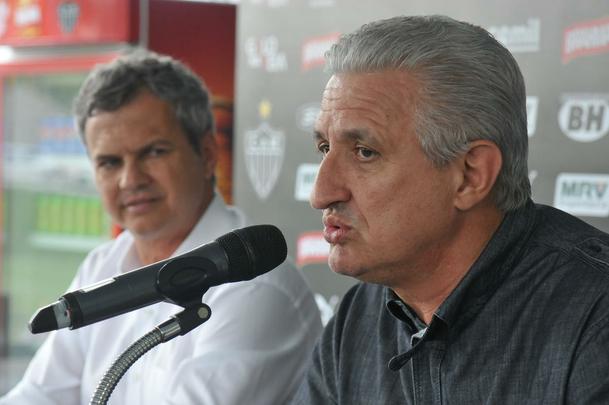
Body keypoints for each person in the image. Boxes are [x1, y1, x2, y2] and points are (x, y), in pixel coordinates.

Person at [291, 15, 609, 404]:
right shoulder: (357, 319)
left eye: (365, 152)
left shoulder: (596, 315)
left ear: (470, 175)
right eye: (325, 148)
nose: (320, 193)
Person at [1, 51, 322, 405]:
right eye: (109, 162)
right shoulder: (103, 264)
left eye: (153, 153)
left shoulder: (256, 287)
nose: (130, 180)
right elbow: (39, 395)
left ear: (207, 153)